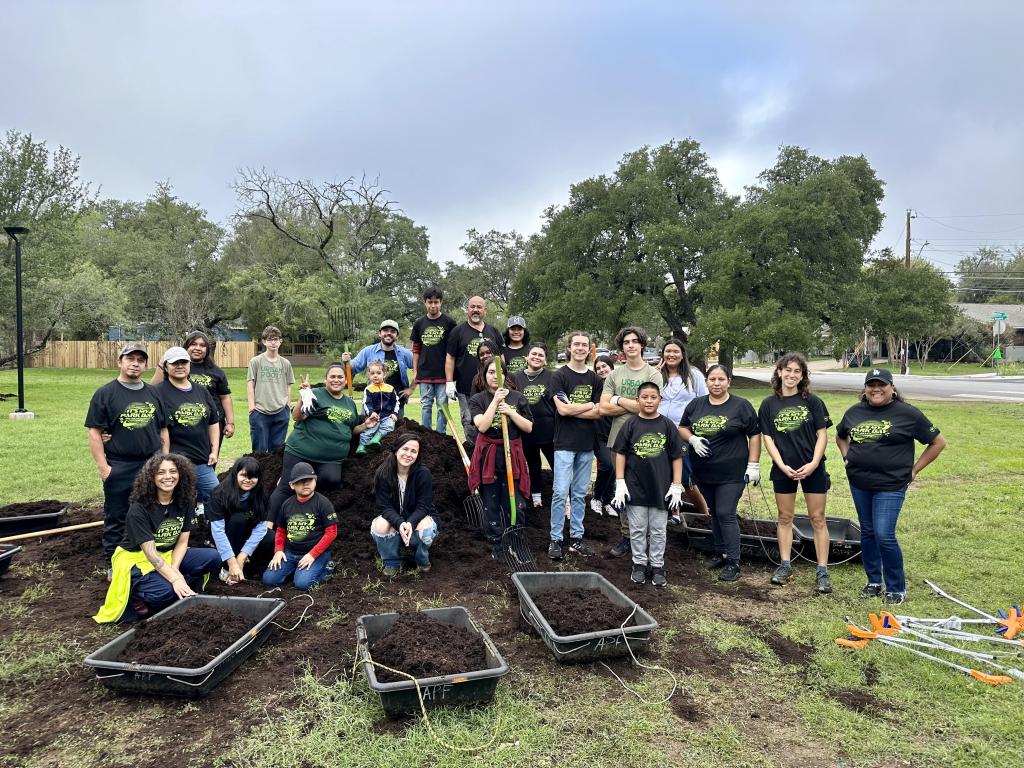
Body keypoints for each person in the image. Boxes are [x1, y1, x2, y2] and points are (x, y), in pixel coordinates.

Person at [836, 368, 945, 605]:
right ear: (864, 390)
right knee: (868, 531)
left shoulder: (908, 414)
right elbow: (840, 435)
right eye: (871, 385)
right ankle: (874, 582)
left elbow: (937, 442)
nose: (876, 389)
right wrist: (847, 457)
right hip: (860, 482)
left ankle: (896, 587)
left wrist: (915, 469)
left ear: (892, 388)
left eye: (881, 384)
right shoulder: (854, 412)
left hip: (891, 484)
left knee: (884, 534)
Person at [93, 452, 221, 623]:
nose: (168, 477)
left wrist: (175, 570)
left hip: (167, 553)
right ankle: (137, 594)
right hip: (136, 559)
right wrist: (175, 579)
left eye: (173, 471)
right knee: (166, 593)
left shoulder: (186, 500)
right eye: (161, 472)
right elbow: (151, 555)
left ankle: (169, 581)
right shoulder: (139, 509)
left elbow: (183, 542)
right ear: (151, 477)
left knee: (213, 557)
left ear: (181, 474)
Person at [758, 353, 834, 594]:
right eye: (787, 370)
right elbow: (767, 438)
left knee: (818, 518)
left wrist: (813, 463)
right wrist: (780, 465)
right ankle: (785, 565)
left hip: (813, 468)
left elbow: (822, 434)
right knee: (784, 517)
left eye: (797, 372)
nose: (791, 375)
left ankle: (822, 570)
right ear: (779, 372)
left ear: (802, 376)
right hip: (784, 468)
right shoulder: (769, 404)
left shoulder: (812, 401)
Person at [86, 343, 169, 561]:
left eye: (140, 360)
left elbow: (163, 429)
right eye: (130, 358)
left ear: (145, 366)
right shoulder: (105, 394)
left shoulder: (153, 393)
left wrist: (165, 460)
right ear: (120, 362)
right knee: (117, 515)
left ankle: (151, 557)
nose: (135, 363)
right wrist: (104, 468)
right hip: (120, 464)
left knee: (153, 510)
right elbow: (94, 433)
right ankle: (112, 560)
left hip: (151, 463)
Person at [679, 364, 761, 583]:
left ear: (728, 382)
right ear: (706, 382)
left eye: (721, 379)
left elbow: (754, 434)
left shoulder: (741, 406)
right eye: (712, 379)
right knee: (714, 511)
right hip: (704, 471)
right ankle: (719, 552)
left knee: (726, 512)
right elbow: (683, 427)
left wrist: (754, 464)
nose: (716, 383)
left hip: (732, 471)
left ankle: (733, 561)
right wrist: (692, 439)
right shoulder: (696, 405)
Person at [269, 364, 378, 517]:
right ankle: (269, 524)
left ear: (346, 381)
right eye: (332, 376)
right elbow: (297, 417)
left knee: (332, 481)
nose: (336, 380)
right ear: (325, 380)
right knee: (287, 487)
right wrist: (303, 396)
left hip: (331, 459)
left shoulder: (350, 404)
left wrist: (365, 425)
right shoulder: (316, 394)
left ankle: (304, 494)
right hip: (301, 450)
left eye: (340, 377)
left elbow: (350, 430)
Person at [611, 382, 685, 587]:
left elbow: (677, 457)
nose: (649, 401)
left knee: (659, 529)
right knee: (637, 528)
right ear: (638, 400)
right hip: (635, 486)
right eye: (645, 397)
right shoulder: (631, 424)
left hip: (661, 488)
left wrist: (676, 485)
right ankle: (639, 564)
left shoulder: (668, 425)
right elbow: (620, 453)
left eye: (653, 397)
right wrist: (620, 481)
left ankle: (658, 566)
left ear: (660, 400)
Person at [599, 327, 661, 557]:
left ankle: (647, 537)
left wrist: (617, 399)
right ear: (622, 347)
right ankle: (627, 537)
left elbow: (650, 406)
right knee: (621, 488)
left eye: (635, 341)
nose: (631, 345)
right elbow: (603, 408)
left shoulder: (653, 374)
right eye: (627, 342)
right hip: (618, 440)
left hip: (646, 441)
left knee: (646, 487)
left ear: (642, 345)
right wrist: (631, 403)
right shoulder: (615, 374)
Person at [469, 359, 534, 559]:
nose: (494, 376)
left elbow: (528, 427)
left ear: (506, 376)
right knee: (491, 503)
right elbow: (482, 426)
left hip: (511, 456)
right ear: (484, 375)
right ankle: (497, 545)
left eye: (499, 373)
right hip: (489, 457)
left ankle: (516, 542)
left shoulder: (517, 397)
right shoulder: (478, 399)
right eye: (490, 372)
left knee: (516, 504)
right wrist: (496, 403)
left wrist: (511, 412)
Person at [547, 331, 602, 560]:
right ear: (569, 348)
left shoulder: (595, 379)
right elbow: (562, 410)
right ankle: (555, 539)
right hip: (564, 444)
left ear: (589, 349)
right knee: (560, 492)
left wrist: (576, 408)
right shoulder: (559, 377)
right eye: (576, 344)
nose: (580, 348)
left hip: (586, 445)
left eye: (584, 345)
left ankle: (576, 538)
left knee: (579, 493)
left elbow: (599, 413)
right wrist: (588, 405)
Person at [154, 346, 221, 502]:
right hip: (173, 463)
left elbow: (213, 422)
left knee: (216, 497)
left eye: (184, 362)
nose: (180, 366)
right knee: (176, 502)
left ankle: (206, 522)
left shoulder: (201, 391)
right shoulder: (158, 392)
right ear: (166, 366)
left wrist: (214, 450)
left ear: (189, 365)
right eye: (174, 363)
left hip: (202, 461)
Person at [151, 330, 235, 449]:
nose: (197, 348)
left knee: (209, 456)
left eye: (202, 345)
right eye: (193, 344)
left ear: (207, 349)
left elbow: (225, 397)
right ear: (186, 347)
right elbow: (153, 389)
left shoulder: (216, 372)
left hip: (212, 420)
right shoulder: (177, 368)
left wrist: (230, 423)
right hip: (181, 420)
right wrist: (162, 364)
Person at [370, 434, 440, 576]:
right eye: (405, 449)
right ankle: (392, 562)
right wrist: (400, 523)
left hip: (416, 520)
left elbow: (423, 506)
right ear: (396, 450)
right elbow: (384, 507)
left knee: (426, 529)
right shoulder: (383, 473)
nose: (409, 454)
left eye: (414, 451)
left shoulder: (423, 474)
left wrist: (410, 523)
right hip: (395, 521)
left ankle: (421, 559)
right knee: (380, 525)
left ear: (418, 454)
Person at [657, 338, 710, 524]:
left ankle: (705, 514)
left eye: (675, 351)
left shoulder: (693, 376)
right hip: (659, 430)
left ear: (682, 354)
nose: (671, 354)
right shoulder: (656, 375)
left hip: (684, 431)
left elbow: (705, 401)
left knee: (685, 478)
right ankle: (675, 515)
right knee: (665, 475)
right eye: (667, 351)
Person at [263, 462, 338, 590]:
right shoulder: (287, 504)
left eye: (309, 480)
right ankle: (296, 571)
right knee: (268, 580)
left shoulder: (323, 503)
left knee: (303, 584)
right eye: (301, 481)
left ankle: (327, 568)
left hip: (315, 554)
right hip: (290, 553)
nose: (306, 484)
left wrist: (312, 554)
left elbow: (332, 532)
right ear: (292, 485)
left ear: (315, 481)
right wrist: (279, 551)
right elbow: (281, 530)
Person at [206, 456, 274, 584]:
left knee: (270, 536)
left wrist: (241, 558)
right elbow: (218, 531)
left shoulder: (261, 495)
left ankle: (252, 567)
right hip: (225, 537)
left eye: (253, 477)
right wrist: (232, 562)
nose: (248, 480)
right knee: (238, 520)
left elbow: (261, 528)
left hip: (246, 534)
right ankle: (226, 567)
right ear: (235, 474)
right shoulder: (219, 494)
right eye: (243, 475)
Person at [445, 295, 503, 431]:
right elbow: (450, 358)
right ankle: (472, 451)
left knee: (494, 421)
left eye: (479, 307)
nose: (475, 310)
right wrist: (449, 382)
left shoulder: (493, 331)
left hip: (491, 388)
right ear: (467, 309)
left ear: (485, 310)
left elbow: (501, 357)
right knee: (469, 421)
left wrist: (504, 378)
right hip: (466, 389)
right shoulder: (457, 332)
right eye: (472, 307)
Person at [511, 343, 555, 509]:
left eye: (541, 355)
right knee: (533, 465)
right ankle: (536, 497)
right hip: (527, 431)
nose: (537, 357)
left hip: (549, 431)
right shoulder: (516, 377)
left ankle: (564, 499)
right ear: (526, 357)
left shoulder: (552, 377)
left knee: (557, 467)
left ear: (545, 360)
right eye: (534, 354)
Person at [343, 320, 414, 416]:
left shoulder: (405, 354)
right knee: (367, 429)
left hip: (395, 404)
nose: (389, 333)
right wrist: (347, 362)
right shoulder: (368, 351)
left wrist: (411, 389)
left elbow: (420, 369)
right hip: (372, 403)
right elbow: (353, 367)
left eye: (393, 331)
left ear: (397, 336)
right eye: (385, 330)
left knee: (395, 430)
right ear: (380, 333)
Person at [411, 287, 457, 433]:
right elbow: (416, 349)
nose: (433, 305)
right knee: (426, 405)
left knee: (442, 406)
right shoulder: (419, 324)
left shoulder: (449, 322)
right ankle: (426, 435)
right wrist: (415, 371)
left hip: (443, 373)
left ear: (441, 302)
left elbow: (453, 350)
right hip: (425, 373)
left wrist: (451, 377)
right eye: (430, 302)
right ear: (424, 303)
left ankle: (441, 435)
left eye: (436, 302)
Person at [246, 325, 295, 452]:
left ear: (280, 341)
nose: (273, 342)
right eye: (270, 339)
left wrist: (287, 405)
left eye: (276, 339)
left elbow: (288, 385)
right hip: (260, 411)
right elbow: (250, 384)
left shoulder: (285, 363)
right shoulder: (255, 362)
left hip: (280, 411)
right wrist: (252, 407)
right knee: (259, 451)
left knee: (277, 451)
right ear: (264, 342)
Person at [591, 354, 617, 516]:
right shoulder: (596, 386)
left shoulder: (617, 384)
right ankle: (596, 497)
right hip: (598, 433)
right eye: (598, 368)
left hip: (616, 433)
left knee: (615, 468)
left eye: (604, 366)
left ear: (611, 367)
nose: (601, 370)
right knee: (607, 464)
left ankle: (607, 500)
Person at [357, 360, 398, 454]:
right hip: (374, 416)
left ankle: (376, 439)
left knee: (389, 425)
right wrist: (371, 413)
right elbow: (366, 403)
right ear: (369, 375)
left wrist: (394, 413)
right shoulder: (368, 389)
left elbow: (395, 402)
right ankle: (361, 447)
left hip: (387, 415)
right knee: (369, 430)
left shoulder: (390, 388)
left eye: (378, 373)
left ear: (384, 374)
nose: (375, 375)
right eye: (372, 373)